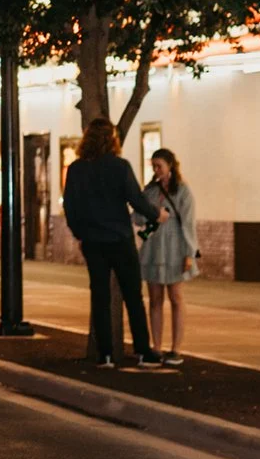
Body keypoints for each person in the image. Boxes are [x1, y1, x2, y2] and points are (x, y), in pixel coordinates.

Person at [63, 118, 164, 368]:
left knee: (100, 296)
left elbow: (70, 206)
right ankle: (142, 350)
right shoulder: (120, 167)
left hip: (92, 241)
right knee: (132, 295)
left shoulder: (76, 169)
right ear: (112, 139)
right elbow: (136, 199)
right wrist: (157, 214)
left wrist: (79, 232)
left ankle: (105, 354)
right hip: (119, 238)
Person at [141, 148, 200, 365]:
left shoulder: (183, 191)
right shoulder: (150, 191)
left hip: (176, 247)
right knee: (155, 299)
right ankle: (156, 347)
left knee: (176, 298)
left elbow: (189, 223)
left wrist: (189, 253)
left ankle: (176, 348)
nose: (156, 170)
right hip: (154, 247)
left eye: (159, 166)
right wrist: (150, 211)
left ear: (170, 166)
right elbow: (138, 216)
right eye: (153, 166)